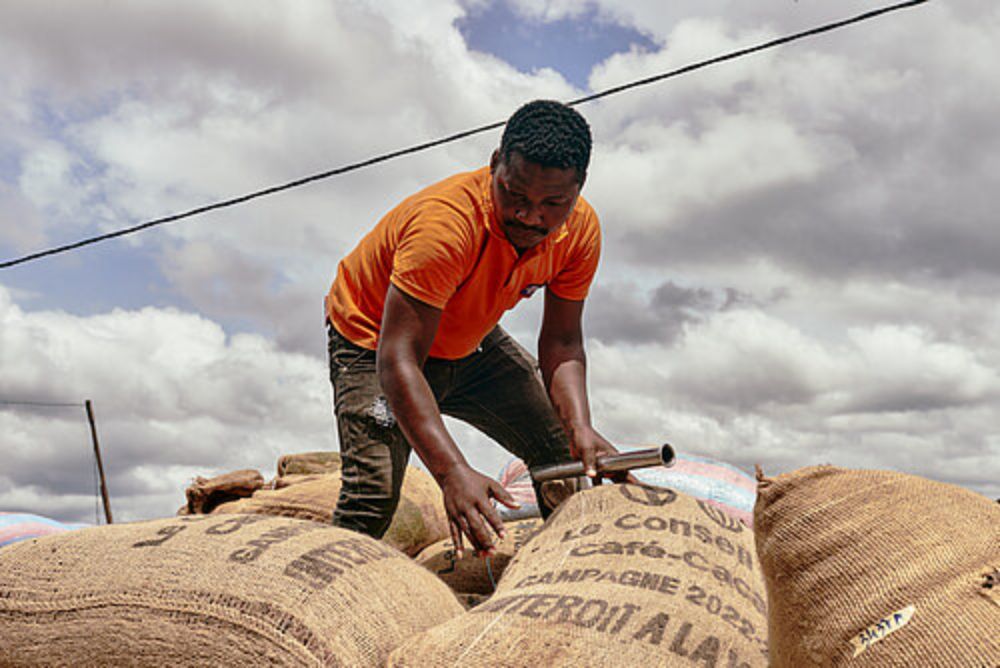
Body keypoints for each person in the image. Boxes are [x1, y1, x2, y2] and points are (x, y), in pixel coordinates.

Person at [324, 99, 619, 558]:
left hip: (469, 340)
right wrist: (451, 472)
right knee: (374, 497)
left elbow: (562, 341)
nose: (530, 216)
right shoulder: (445, 226)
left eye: (552, 204)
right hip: (375, 341)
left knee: (562, 456)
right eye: (515, 196)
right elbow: (398, 358)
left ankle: (565, 574)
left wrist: (579, 425)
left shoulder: (580, 232)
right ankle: (315, 600)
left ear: (578, 191)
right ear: (495, 165)